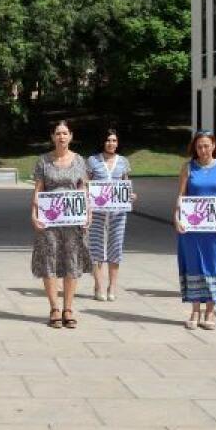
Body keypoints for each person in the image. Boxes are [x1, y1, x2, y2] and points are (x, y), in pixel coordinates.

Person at [31, 121, 92, 329]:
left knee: (71, 262)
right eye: (58, 133)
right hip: (49, 221)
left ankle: (68, 308)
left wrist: (88, 214)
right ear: (52, 137)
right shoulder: (43, 161)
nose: (62, 137)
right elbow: (38, 190)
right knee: (49, 261)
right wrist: (34, 214)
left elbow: (84, 190)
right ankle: (54, 308)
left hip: (73, 222)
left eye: (65, 133)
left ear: (71, 136)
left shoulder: (80, 161)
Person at [175, 131, 216, 330]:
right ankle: (195, 309)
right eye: (199, 146)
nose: (203, 150)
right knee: (194, 265)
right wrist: (176, 217)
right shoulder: (188, 167)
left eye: (206, 146)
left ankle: (210, 310)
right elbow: (181, 195)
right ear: (195, 148)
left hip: (215, 229)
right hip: (192, 229)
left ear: (213, 146)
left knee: (214, 265)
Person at [87, 129, 135, 302]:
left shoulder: (123, 161)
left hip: (118, 212)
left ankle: (112, 286)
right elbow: (86, 184)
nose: (111, 143)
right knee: (96, 247)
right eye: (108, 140)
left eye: (114, 140)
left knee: (116, 246)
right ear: (103, 142)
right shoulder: (92, 161)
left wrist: (130, 195)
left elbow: (125, 183)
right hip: (97, 211)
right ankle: (99, 284)